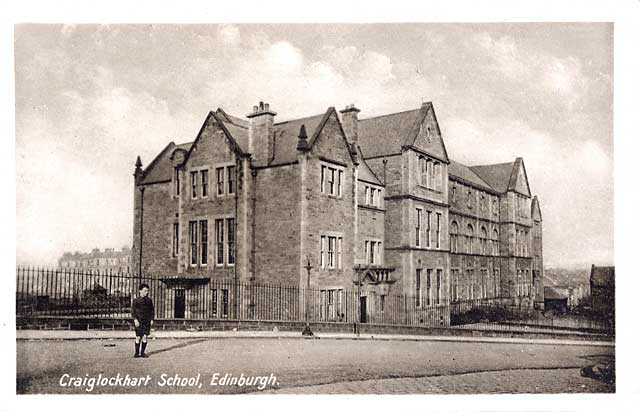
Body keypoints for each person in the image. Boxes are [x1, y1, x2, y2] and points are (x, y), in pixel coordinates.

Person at [131, 283, 154, 358]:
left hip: (146, 321)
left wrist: (152, 319)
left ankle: (142, 353)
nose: (146, 292)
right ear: (140, 291)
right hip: (139, 321)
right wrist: (135, 320)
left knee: (145, 336)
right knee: (138, 337)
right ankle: (136, 353)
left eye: (147, 291)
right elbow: (133, 311)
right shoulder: (136, 300)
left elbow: (152, 311)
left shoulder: (149, 300)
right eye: (144, 291)